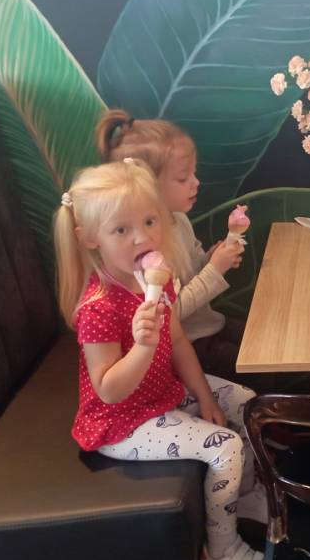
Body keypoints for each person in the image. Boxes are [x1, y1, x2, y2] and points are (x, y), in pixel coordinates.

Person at [54, 159, 276, 560]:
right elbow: (109, 389)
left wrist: (205, 396)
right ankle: (223, 554)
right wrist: (141, 346)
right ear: (90, 238)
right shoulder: (98, 308)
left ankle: (246, 496)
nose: (143, 238)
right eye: (122, 230)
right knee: (225, 447)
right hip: (122, 422)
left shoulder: (156, 280)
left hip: (163, 394)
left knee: (248, 403)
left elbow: (176, 342)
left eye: (150, 221)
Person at [95, 109, 244, 380]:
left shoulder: (179, 220)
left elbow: (191, 271)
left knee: (263, 344)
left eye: (194, 173)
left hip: (211, 326)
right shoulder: (147, 247)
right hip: (188, 346)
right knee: (253, 368)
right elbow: (172, 312)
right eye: (183, 178)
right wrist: (215, 270)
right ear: (147, 187)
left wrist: (212, 257)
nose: (196, 182)